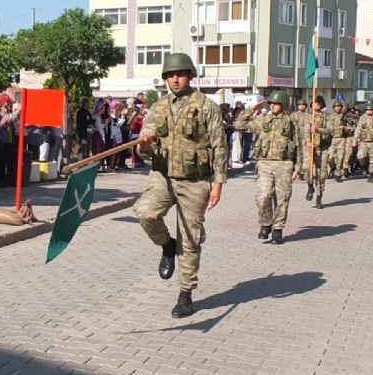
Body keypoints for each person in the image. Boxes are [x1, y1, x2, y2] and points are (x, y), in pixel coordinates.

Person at [133, 53, 227, 319]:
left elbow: (219, 144)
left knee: (190, 238)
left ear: (190, 76)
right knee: (145, 213)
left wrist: (219, 182)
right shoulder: (158, 107)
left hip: (195, 180)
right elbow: (147, 149)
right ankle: (166, 245)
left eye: (180, 74)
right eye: (170, 75)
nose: (175, 79)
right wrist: (145, 145)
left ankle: (185, 293)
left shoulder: (206, 106)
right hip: (162, 176)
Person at [235, 91, 298, 245]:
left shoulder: (291, 122)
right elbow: (239, 125)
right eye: (271, 104)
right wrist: (251, 109)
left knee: (282, 199)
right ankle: (266, 222)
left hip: (284, 164)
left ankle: (278, 229)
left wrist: (298, 167)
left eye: (276, 103)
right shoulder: (263, 120)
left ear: (283, 105)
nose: (273, 106)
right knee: (262, 196)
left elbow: (299, 144)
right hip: (264, 163)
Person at [304, 95, 336, 210]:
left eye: (319, 102)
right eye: (314, 102)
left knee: (321, 175)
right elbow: (304, 131)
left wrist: (318, 130)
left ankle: (319, 197)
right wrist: (308, 142)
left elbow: (330, 131)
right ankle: (310, 186)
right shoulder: (307, 117)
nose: (316, 104)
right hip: (311, 148)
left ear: (322, 105)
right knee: (308, 170)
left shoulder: (326, 118)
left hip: (322, 148)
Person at [353, 102, 373, 183]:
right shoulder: (362, 118)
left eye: (371, 110)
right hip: (363, 141)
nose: (369, 111)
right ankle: (364, 167)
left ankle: (371, 174)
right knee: (360, 157)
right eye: (368, 110)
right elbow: (358, 129)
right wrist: (355, 140)